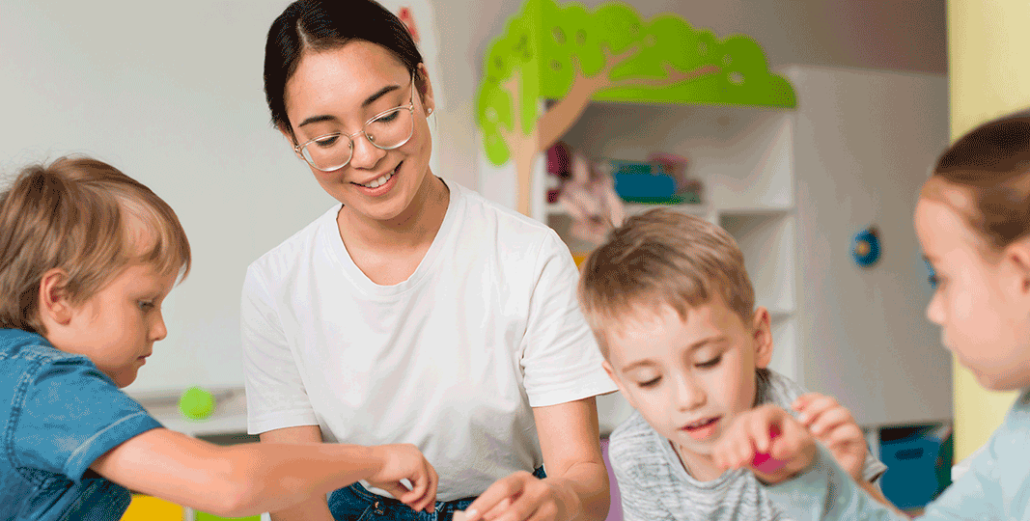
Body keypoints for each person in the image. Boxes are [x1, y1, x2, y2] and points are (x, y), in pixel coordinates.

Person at [242, 1, 617, 520]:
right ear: (292, 138)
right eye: (327, 138)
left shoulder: (529, 256)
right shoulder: (276, 284)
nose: (367, 155)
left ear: (424, 88)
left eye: (387, 114)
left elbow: (584, 481)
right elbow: (295, 496)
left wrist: (557, 499)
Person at [0, 156, 438, 521]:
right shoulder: (48, 387)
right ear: (58, 297)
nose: (160, 328)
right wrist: (372, 461)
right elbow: (227, 484)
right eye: (145, 303)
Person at [710, 114, 1030, 519]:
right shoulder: (1019, 433)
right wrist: (802, 472)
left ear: (1022, 274)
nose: (934, 310)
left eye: (940, 278)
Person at [576, 209, 890, 521]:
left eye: (707, 361)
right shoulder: (635, 452)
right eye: (649, 380)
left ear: (758, 340)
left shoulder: (802, 429)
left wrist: (847, 483)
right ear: (621, 384)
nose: (688, 398)